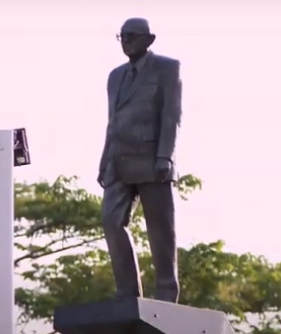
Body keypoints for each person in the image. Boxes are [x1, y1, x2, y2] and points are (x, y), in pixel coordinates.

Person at [97, 17, 183, 303]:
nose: (127, 41)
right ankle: (127, 293)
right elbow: (113, 122)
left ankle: (167, 295)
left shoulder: (167, 68)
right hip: (118, 161)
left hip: (152, 160)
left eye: (132, 36)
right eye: (122, 36)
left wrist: (165, 156)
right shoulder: (115, 76)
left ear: (149, 39)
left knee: (160, 230)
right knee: (111, 222)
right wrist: (104, 160)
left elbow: (171, 115)